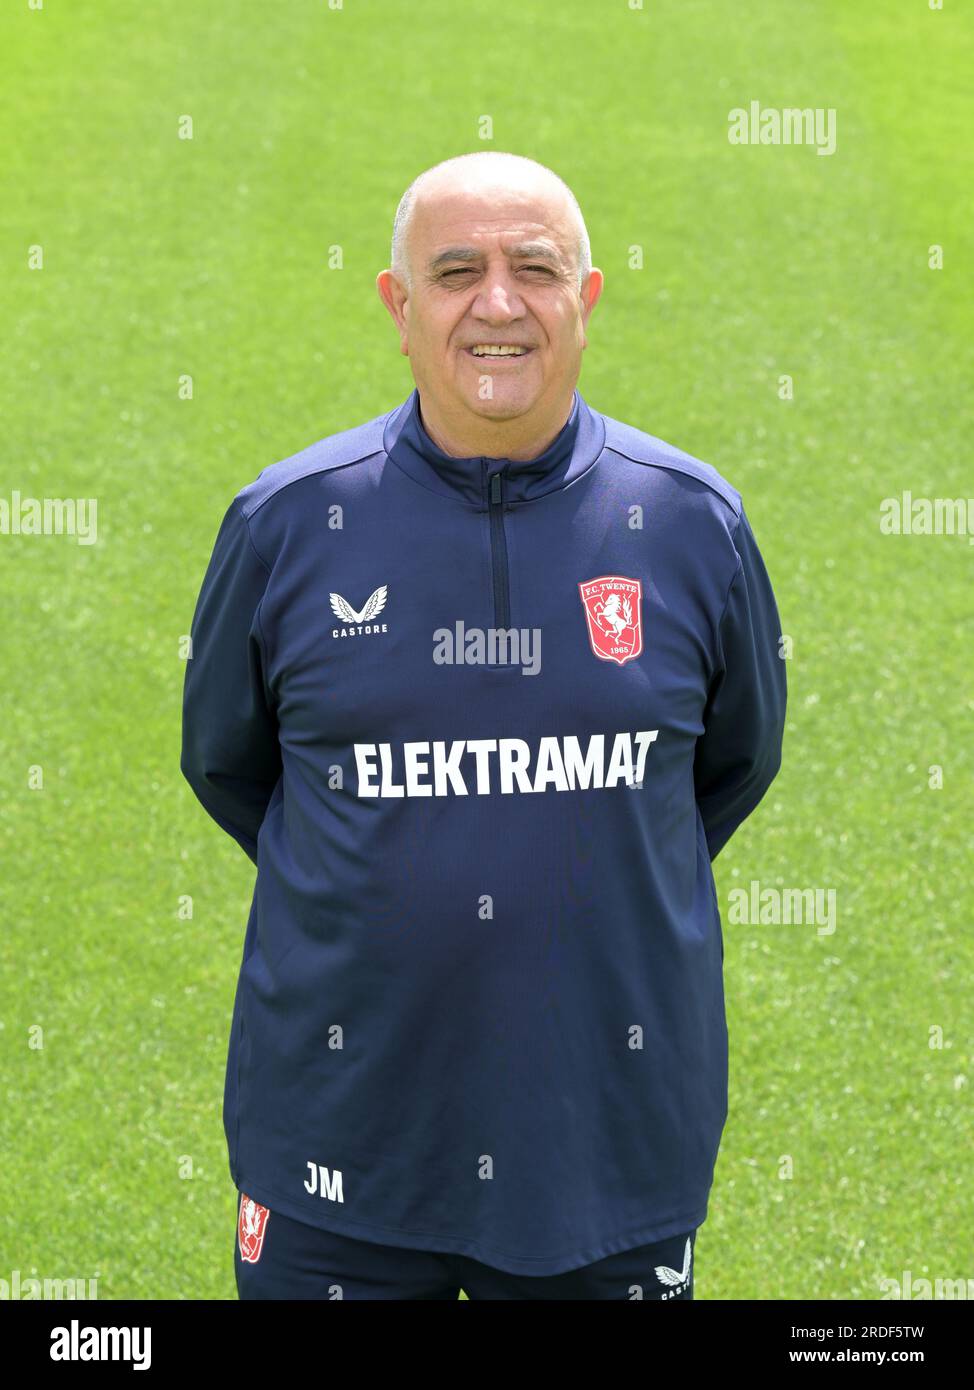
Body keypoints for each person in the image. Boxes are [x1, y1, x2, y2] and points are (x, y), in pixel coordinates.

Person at [181, 151, 787, 1300]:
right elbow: (227, 764)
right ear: (398, 306)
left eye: (535, 269)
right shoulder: (286, 523)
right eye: (455, 271)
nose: (497, 303)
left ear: (587, 298)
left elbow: (729, 765)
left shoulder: (691, 523)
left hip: (605, 1142)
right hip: (340, 1135)